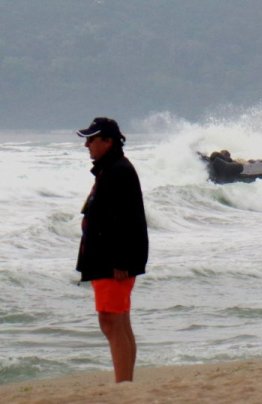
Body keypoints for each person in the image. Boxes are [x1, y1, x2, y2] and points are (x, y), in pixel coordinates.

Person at [75, 117, 148, 383]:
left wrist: (121, 262)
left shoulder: (118, 171)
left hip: (112, 260)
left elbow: (125, 220)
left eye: (91, 139)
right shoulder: (111, 169)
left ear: (108, 141)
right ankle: (125, 383)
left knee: (111, 321)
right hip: (105, 257)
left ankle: (123, 385)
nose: (87, 145)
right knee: (118, 321)